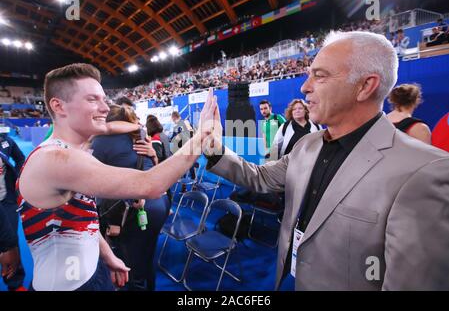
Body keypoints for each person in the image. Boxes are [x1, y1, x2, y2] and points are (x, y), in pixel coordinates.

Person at [203, 31, 449, 290]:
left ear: (365, 86)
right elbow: (260, 177)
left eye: (319, 75)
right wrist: (210, 145)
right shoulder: (307, 145)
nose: (304, 86)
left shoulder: (424, 171)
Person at [16, 63, 216, 291]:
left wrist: (108, 256)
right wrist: (202, 135)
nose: (105, 108)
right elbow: (150, 185)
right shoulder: (57, 159)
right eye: (92, 100)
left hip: (91, 273)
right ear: (58, 106)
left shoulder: (68, 150)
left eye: (104, 99)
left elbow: (83, 217)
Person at [91, 105, 170, 291]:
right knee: (146, 255)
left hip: (131, 208)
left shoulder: (100, 140)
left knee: (130, 264)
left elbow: (99, 182)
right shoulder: (140, 133)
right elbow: (152, 167)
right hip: (158, 203)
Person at [0, 133, 26, 290]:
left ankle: (15, 283)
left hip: (6, 201)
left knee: (11, 240)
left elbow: (20, 159)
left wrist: (18, 178)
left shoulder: (5, 141)